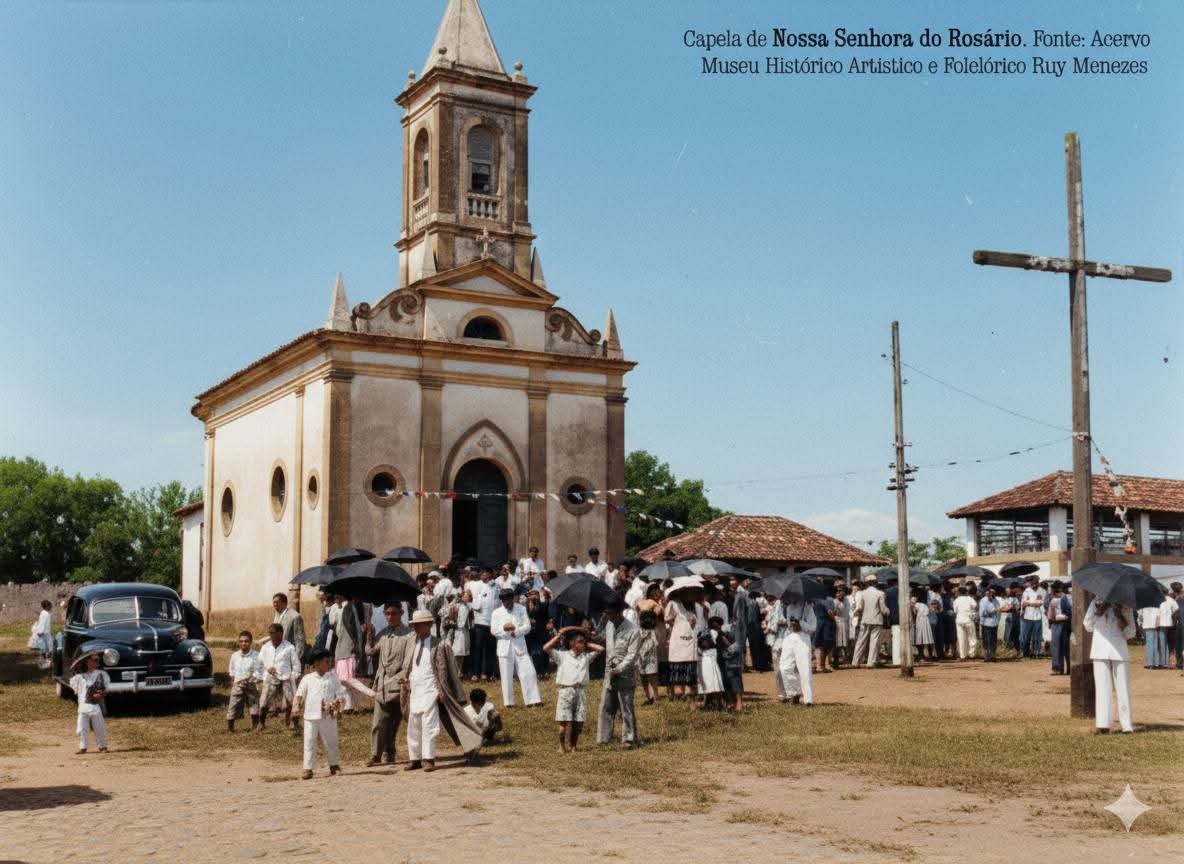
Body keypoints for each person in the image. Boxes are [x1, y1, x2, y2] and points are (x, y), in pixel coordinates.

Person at [404, 609, 484, 771]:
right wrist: (407, 682)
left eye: (419, 625)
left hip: (431, 688)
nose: (416, 628)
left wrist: (442, 690)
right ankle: (415, 758)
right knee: (413, 724)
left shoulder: (439, 644)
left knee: (429, 724)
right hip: (416, 688)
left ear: (428, 625)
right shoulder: (413, 643)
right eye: (414, 625)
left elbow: (445, 669)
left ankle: (428, 758)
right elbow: (411, 665)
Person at [364, 602, 413, 766]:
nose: (390, 617)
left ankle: (390, 752)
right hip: (382, 685)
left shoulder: (408, 635)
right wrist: (369, 635)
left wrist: (396, 682)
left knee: (394, 723)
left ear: (401, 614)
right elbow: (370, 651)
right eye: (387, 614)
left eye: (394, 613)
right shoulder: (383, 634)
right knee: (378, 722)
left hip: (399, 686)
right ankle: (375, 755)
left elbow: (407, 665)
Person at [545, 625, 604, 752]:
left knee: (579, 722)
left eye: (583, 642)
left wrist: (586, 642)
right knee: (563, 724)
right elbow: (546, 648)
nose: (582, 644)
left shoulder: (585, 657)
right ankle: (561, 746)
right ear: (572, 643)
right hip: (566, 691)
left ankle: (573, 745)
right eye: (579, 642)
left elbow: (600, 649)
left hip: (580, 690)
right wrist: (559, 635)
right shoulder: (562, 655)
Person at [1083, 598, 1136, 733]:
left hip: (1119, 650)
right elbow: (1087, 625)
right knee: (1102, 687)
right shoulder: (1095, 603)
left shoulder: (1125, 606)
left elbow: (1131, 633)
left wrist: (1120, 615)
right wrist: (1099, 610)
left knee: (1123, 687)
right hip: (1100, 649)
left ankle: (1126, 725)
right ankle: (1103, 724)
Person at [292, 648, 346, 779]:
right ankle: (308, 768)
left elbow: (341, 695)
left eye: (329, 661)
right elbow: (299, 695)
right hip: (310, 716)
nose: (329, 664)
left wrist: (336, 705)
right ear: (317, 663)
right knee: (309, 741)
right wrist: (296, 707)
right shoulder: (308, 678)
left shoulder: (333, 678)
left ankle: (334, 765)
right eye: (326, 661)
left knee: (331, 741)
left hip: (328, 716)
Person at [597, 597, 640, 746]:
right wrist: (592, 634)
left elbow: (632, 655)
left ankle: (629, 739)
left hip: (625, 673)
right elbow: (603, 640)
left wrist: (619, 669)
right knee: (606, 706)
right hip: (609, 671)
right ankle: (603, 738)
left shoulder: (633, 630)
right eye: (607, 613)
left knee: (626, 707)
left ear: (620, 613)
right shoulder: (608, 625)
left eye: (612, 613)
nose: (609, 616)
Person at [490, 589, 542, 707]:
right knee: (506, 676)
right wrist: (505, 630)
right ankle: (509, 702)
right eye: (504, 601)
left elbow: (527, 626)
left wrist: (516, 632)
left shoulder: (521, 609)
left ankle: (533, 700)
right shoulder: (496, 612)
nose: (507, 603)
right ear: (502, 601)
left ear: (512, 598)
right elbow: (493, 630)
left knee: (529, 672)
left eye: (508, 600)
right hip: (504, 647)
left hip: (519, 645)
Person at [258, 623, 300, 732]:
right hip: (271, 677)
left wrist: (294, 676)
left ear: (281, 634)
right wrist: (267, 669)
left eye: (273, 633)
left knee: (292, 701)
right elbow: (259, 663)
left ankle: (293, 723)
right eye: (270, 633)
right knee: (264, 701)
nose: (271, 636)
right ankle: (261, 723)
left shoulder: (289, 647)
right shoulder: (266, 647)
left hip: (286, 677)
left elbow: (296, 664)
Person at [69, 651, 109, 754]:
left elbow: (104, 690)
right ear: (88, 662)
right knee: (82, 728)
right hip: (83, 706)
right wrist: (76, 670)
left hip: (94, 705)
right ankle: (83, 747)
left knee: (99, 727)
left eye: (97, 660)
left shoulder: (101, 674)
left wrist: (100, 695)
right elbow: (75, 688)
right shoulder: (79, 677)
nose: (97, 662)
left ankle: (103, 746)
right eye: (94, 660)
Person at [779, 596, 817, 706]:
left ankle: (808, 700)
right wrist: (791, 625)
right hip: (790, 637)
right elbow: (788, 624)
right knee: (784, 667)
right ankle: (794, 693)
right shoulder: (789, 607)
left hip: (803, 638)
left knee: (804, 670)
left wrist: (800, 623)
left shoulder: (808, 608)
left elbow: (813, 627)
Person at [664, 589, 699, 701]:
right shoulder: (673, 603)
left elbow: (693, 623)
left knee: (688, 661)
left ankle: (688, 690)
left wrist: (689, 624)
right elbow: (667, 618)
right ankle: (679, 690)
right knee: (678, 661)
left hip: (688, 637)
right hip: (678, 637)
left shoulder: (691, 607)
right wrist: (676, 623)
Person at [227, 630, 264, 732]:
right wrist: (233, 679)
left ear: (250, 642)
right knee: (233, 704)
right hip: (238, 684)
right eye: (241, 641)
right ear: (238, 642)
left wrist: (252, 678)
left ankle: (255, 726)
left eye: (246, 641)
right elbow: (232, 669)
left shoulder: (256, 656)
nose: (244, 643)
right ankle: (230, 728)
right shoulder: (235, 655)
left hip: (251, 684)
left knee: (254, 704)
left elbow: (260, 670)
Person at [851, 574, 888, 668]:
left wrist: (856, 616)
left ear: (866, 583)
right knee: (874, 642)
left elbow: (859, 608)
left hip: (865, 620)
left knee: (860, 641)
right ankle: (870, 663)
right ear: (875, 583)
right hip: (876, 620)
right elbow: (883, 609)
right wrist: (887, 611)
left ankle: (855, 662)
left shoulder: (862, 593)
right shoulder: (880, 593)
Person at [469, 566, 498, 682]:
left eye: (485, 573)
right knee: (478, 648)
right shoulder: (475, 585)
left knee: (491, 649)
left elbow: (498, 602)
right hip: (479, 621)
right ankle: (476, 673)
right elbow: (467, 592)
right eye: (482, 573)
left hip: (492, 622)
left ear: (490, 574)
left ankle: (488, 673)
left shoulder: (496, 586)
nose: (483, 575)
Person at [272, 592, 307, 664]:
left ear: (284, 603)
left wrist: (296, 660)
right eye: (273, 602)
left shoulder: (295, 616)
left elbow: (300, 640)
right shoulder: (277, 615)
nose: (274, 605)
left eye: (276, 602)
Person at [1047, 582, 1072, 675]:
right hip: (1067, 624)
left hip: (1057, 624)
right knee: (1067, 648)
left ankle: (1057, 669)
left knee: (1057, 647)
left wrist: (1050, 623)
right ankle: (1069, 668)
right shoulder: (1069, 598)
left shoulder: (1054, 600)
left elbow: (1050, 615)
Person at [637, 607, 660, 704]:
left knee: (651, 677)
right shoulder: (639, 631)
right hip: (641, 657)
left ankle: (655, 696)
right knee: (644, 677)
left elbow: (656, 642)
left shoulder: (654, 631)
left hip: (651, 657)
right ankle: (649, 697)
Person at [1019, 578, 1046, 658]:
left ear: (1038, 583)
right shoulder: (1027, 591)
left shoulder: (1042, 591)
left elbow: (1041, 603)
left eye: (1035, 583)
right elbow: (1023, 603)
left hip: (1038, 616)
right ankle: (1025, 653)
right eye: (1032, 584)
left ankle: (1036, 653)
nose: (1034, 585)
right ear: (1030, 583)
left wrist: (1029, 602)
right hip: (1027, 616)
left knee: (1037, 637)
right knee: (1026, 636)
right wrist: (1034, 603)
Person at [952, 586, 978, 660]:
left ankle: (962, 656)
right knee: (972, 637)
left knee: (961, 638)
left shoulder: (956, 600)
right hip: (968, 620)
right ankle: (971, 654)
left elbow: (955, 611)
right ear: (966, 592)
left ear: (959, 593)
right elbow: (975, 606)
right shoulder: (970, 599)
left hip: (959, 620)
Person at [978, 586, 1002, 662]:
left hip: (994, 623)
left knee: (993, 640)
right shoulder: (983, 600)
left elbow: (999, 610)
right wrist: (994, 611)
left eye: (994, 593)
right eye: (991, 593)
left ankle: (993, 655)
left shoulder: (996, 600)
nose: (992, 594)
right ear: (987, 593)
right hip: (986, 623)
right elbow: (983, 613)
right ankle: (986, 656)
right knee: (987, 640)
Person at [1159, 590, 1180, 671]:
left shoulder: (1159, 599)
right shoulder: (1172, 600)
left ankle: (1164, 662)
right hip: (1170, 624)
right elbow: (1176, 609)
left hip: (1161, 624)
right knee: (1170, 644)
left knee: (1162, 643)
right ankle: (1168, 662)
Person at [1138, 600, 1162, 669]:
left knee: (1149, 645)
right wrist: (1157, 623)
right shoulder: (1156, 603)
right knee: (1155, 644)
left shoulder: (1143, 605)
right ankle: (1156, 663)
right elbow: (1158, 615)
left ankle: (1150, 663)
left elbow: (1140, 615)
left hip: (1147, 625)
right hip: (1154, 625)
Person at [912, 589, 935, 660]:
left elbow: (914, 613)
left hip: (919, 621)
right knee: (927, 637)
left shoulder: (917, 604)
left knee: (919, 638)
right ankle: (931, 654)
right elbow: (932, 610)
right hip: (926, 621)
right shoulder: (926, 604)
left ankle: (921, 655)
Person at [30, 600, 53, 669]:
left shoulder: (44, 613)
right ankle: (44, 664)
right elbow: (42, 623)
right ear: (47, 606)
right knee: (46, 650)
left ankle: (45, 663)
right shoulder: (45, 614)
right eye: (50, 606)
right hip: (44, 634)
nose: (51, 607)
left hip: (45, 633)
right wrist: (41, 632)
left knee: (45, 650)